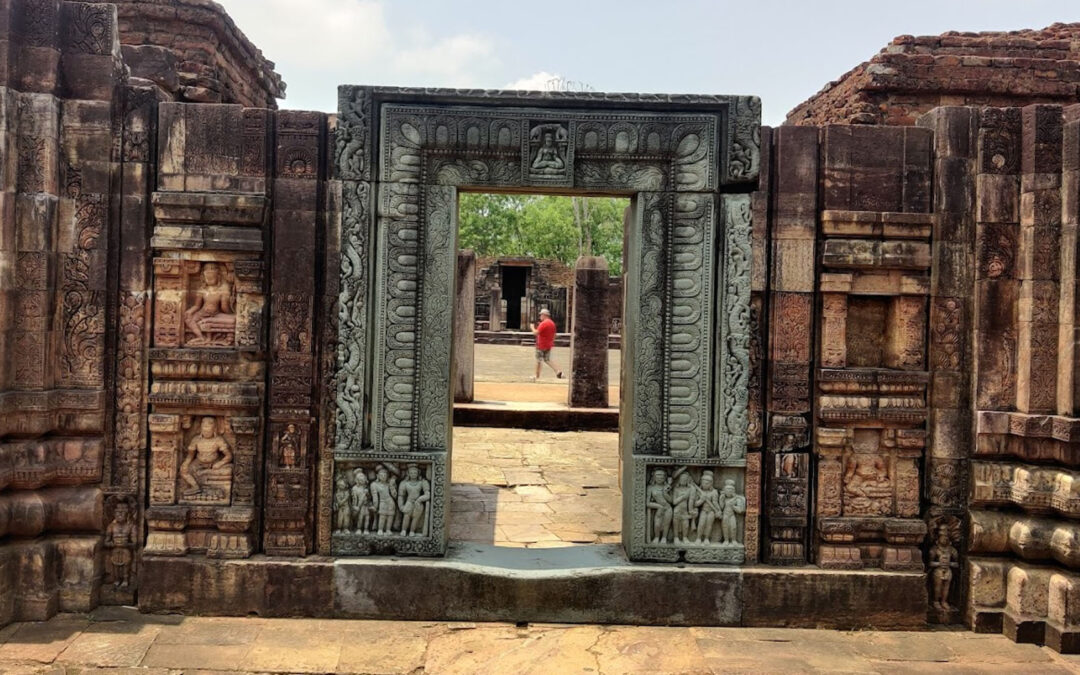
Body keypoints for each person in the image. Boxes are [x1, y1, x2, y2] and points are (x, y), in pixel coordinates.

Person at [529, 308, 563, 380]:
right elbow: (554, 335)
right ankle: (558, 371)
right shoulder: (552, 323)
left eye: (541, 315)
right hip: (548, 344)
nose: (540, 316)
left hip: (541, 344)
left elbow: (536, 333)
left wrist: (532, 327)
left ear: (544, 315)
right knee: (547, 359)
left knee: (538, 360)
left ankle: (536, 376)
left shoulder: (544, 323)